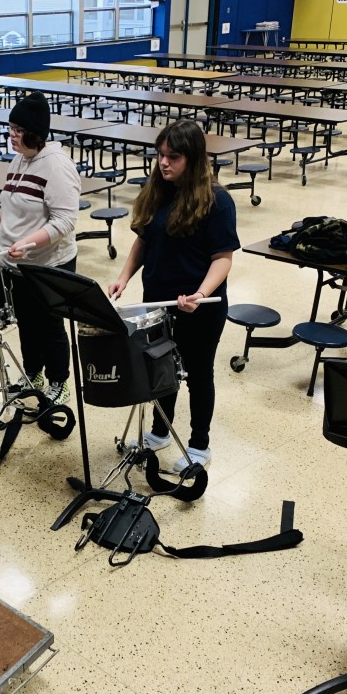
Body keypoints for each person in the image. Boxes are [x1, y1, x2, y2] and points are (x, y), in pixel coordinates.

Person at [107, 120, 238, 472]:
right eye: (160, 155)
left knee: (197, 373)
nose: (164, 163)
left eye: (173, 157)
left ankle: (199, 443)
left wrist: (200, 293)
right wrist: (123, 278)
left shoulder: (217, 201)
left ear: (193, 159)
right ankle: (160, 430)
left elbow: (222, 259)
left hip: (201, 306)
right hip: (159, 302)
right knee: (161, 366)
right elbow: (144, 240)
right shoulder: (158, 191)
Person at [0, 92, 80, 405]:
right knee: (26, 323)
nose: (11, 135)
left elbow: (64, 222)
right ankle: (32, 372)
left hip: (49, 264)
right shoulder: (19, 160)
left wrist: (29, 242)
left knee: (49, 325)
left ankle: (59, 380)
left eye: (18, 130)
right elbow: (9, 203)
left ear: (35, 133)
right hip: (15, 262)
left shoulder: (57, 167)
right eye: (10, 128)